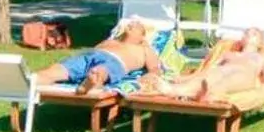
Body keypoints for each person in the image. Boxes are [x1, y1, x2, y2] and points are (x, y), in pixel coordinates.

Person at [32, 18, 167, 93]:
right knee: (53, 71)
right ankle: (30, 80)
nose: (132, 23)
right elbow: (94, 51)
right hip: (89, 56)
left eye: (137, 25)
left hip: (115, 62)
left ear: (142, 36)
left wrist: (148, 78)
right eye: (131, 23)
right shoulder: (110, 41)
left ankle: (91, 83)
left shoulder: (143, 48)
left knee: (101, 70)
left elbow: (155, 68)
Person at [149, 28, 264, 101]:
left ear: (260, 42)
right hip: (222, 70)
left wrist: (263, 92)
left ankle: (193, 93)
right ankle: (176, 90)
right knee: (210, 75)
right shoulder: (228, 54)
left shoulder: (261, 56)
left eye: (254, 34)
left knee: (226, 80)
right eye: (246, 32)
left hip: (245, 76)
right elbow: (208, 69)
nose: (248, 34)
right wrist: (183, 78)